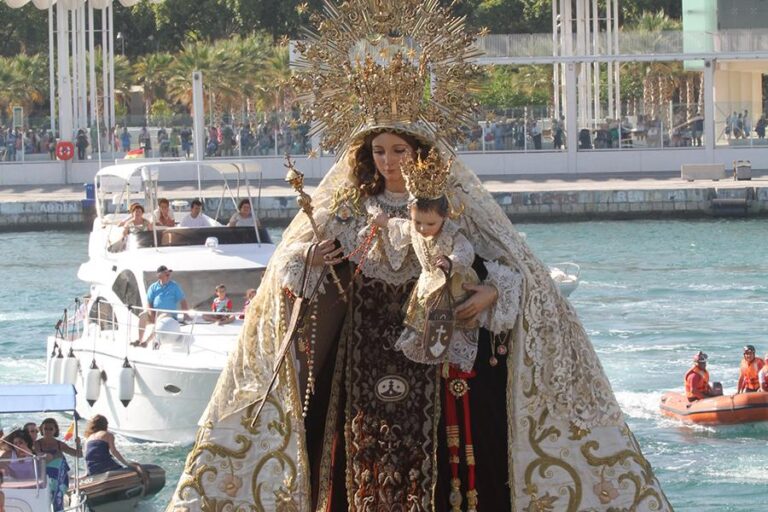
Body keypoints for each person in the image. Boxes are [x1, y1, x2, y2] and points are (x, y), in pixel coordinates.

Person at [168, 2, 671, 510]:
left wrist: (492, 288)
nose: (388, 162)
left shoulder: (452, 210)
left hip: (436, 362)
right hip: (361, 357)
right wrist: (311, 260)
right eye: (379, 151)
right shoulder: (347, 207)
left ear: (419, 153)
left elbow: (516, 269)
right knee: (360, 461)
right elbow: (291, 269)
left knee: (444, 470)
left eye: (398, 151)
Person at [373, 149, 482, 371]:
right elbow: (399, 226)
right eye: (418, 223)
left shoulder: (451, 233)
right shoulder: (414, 227)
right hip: (427, 284)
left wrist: (451, 261)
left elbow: (465, 250)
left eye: (430, 224)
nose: (422, 229)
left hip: (453, 283)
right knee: (425, 325)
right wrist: (383, 221)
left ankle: (454, 361)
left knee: (455, 325)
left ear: (444, 216)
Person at [34, 418, 81, 511]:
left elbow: (78, 454)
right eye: (45, 428)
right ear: (42, 430)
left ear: (55, 430)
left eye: (50, 429)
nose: (47, 431)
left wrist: (78, 444)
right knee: (43, 502)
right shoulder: (37, 444)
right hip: (43, 476)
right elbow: (40, 459)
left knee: (57, 501)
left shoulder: (60, 445)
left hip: (58, 478)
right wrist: (56, 456)